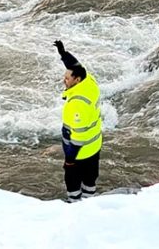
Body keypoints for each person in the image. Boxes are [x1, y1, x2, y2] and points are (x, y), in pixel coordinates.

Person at [55, 39, 102, 202]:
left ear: (77, 80)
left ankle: (75, 205)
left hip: (81, 152)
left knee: (73, 181)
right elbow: (76, 65)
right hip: (95, 145)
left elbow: (79, 137)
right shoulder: (89, 82)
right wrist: (63, 54)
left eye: (67, 78)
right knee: (90, 179)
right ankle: (90, 199)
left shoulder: (77, 104)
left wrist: (69, 159)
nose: (64, 80)